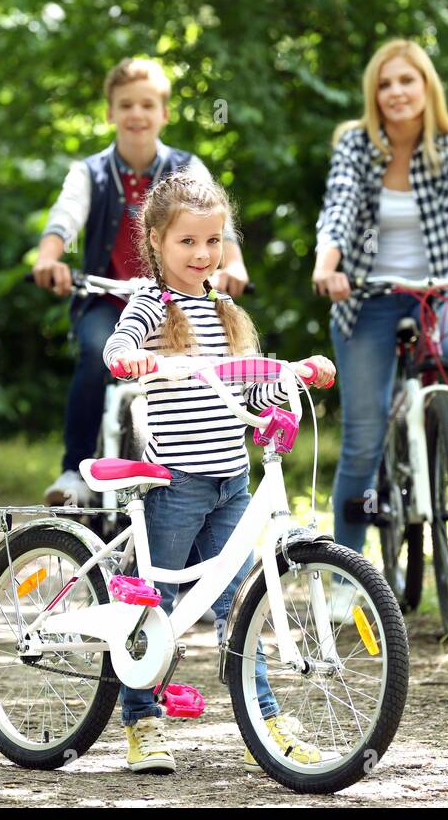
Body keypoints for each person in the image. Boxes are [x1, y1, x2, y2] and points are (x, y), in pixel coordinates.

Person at [104, 167, 335, 774]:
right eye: (187, 242)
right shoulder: (152, 304)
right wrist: (131, 360)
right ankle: (142, 721)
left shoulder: (226, 311)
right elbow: (118, 345)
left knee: (242, 607)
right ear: (156, 241)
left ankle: (267, 717)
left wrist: (286, 382)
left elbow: (243, 392)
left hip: (232, 480)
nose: (202, 254)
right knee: (157, 605)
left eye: (212, 242)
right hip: (176, 483)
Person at [312, 39, 448, 553]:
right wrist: (328, 265)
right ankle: (347, 572)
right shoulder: (356, 145)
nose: (396, 92)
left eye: (406, 80)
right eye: (385, 84)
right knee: (363, 440)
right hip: (368, 295)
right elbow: (339, 205)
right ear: (375, 95)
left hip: (439, 291)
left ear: (426, 86)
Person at [33, 58, 251, 506]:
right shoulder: (90, 172)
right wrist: (49, 258)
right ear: (110, 112)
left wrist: (234, 265)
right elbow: (66, 216)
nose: (137, 114)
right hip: (106, 300)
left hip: (175, 299)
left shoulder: (186, 167)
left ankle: (202, 471)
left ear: (164, 113)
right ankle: (74, 470)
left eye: (147, 104)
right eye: (126, 104)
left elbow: (219, 222)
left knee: (204, 362)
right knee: (97, 353)